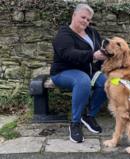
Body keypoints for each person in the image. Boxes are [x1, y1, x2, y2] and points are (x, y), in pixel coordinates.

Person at [50, 3, 107, 143]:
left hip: (88, 71)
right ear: (74, 15)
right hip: (63, 72)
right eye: (83, 17)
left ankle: (88, 116)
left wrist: (104, 59)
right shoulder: (63, 34)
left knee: (108, 82)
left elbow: (99, 51)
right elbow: (69, 54)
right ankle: (75, 123)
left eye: (88, 20)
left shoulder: (93, 32)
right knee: (82, 80)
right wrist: (93, 56)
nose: (86, 22)